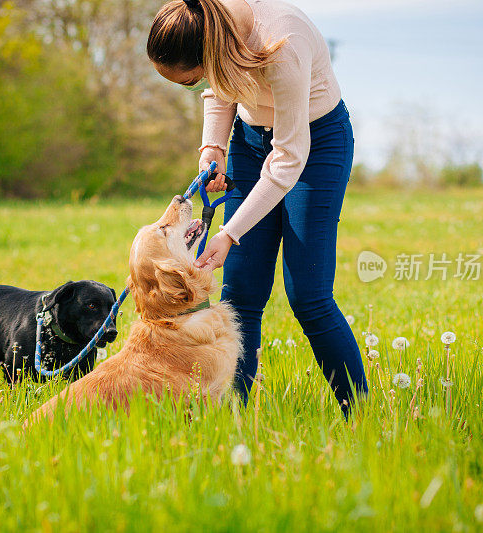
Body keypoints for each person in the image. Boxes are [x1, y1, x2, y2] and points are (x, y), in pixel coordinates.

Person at [147, 0, 367, 415]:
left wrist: (229, 234)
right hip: (251, 139)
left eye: (191, 79)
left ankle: (360, 414)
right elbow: (219, 89)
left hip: (313, 146)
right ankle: (233, 418)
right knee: (241, 294)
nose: (198, 85)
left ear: (210, 52)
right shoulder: (214, 28)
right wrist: (214, 148)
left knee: (309, 297)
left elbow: (288, 160)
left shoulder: (282, 43)